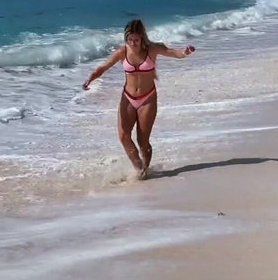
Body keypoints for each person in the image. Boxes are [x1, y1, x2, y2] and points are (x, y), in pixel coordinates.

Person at [83, 19, 195, 179]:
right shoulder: (122, 52)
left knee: (143, 141)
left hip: (147, 98)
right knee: (123, 136)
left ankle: (144, 171)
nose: (133, 43)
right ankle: (139, 168)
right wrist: (90, 79)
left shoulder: (152, 50)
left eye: (136, 40)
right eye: (130, 40)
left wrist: (185, 52)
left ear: (142, 37)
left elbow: (173, 53)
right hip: (128, 97)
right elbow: (104, 67)